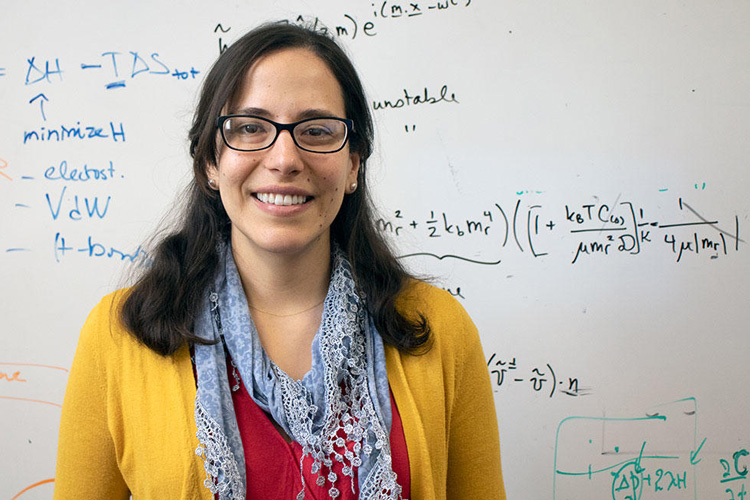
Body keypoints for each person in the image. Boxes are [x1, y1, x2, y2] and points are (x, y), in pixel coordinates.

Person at [53, 22, 506, 500]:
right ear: (211, 161)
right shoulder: (118, 335)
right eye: (250, 128)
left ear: (353, 163)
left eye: (315, 129)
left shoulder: (438, 328)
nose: (284, 158)